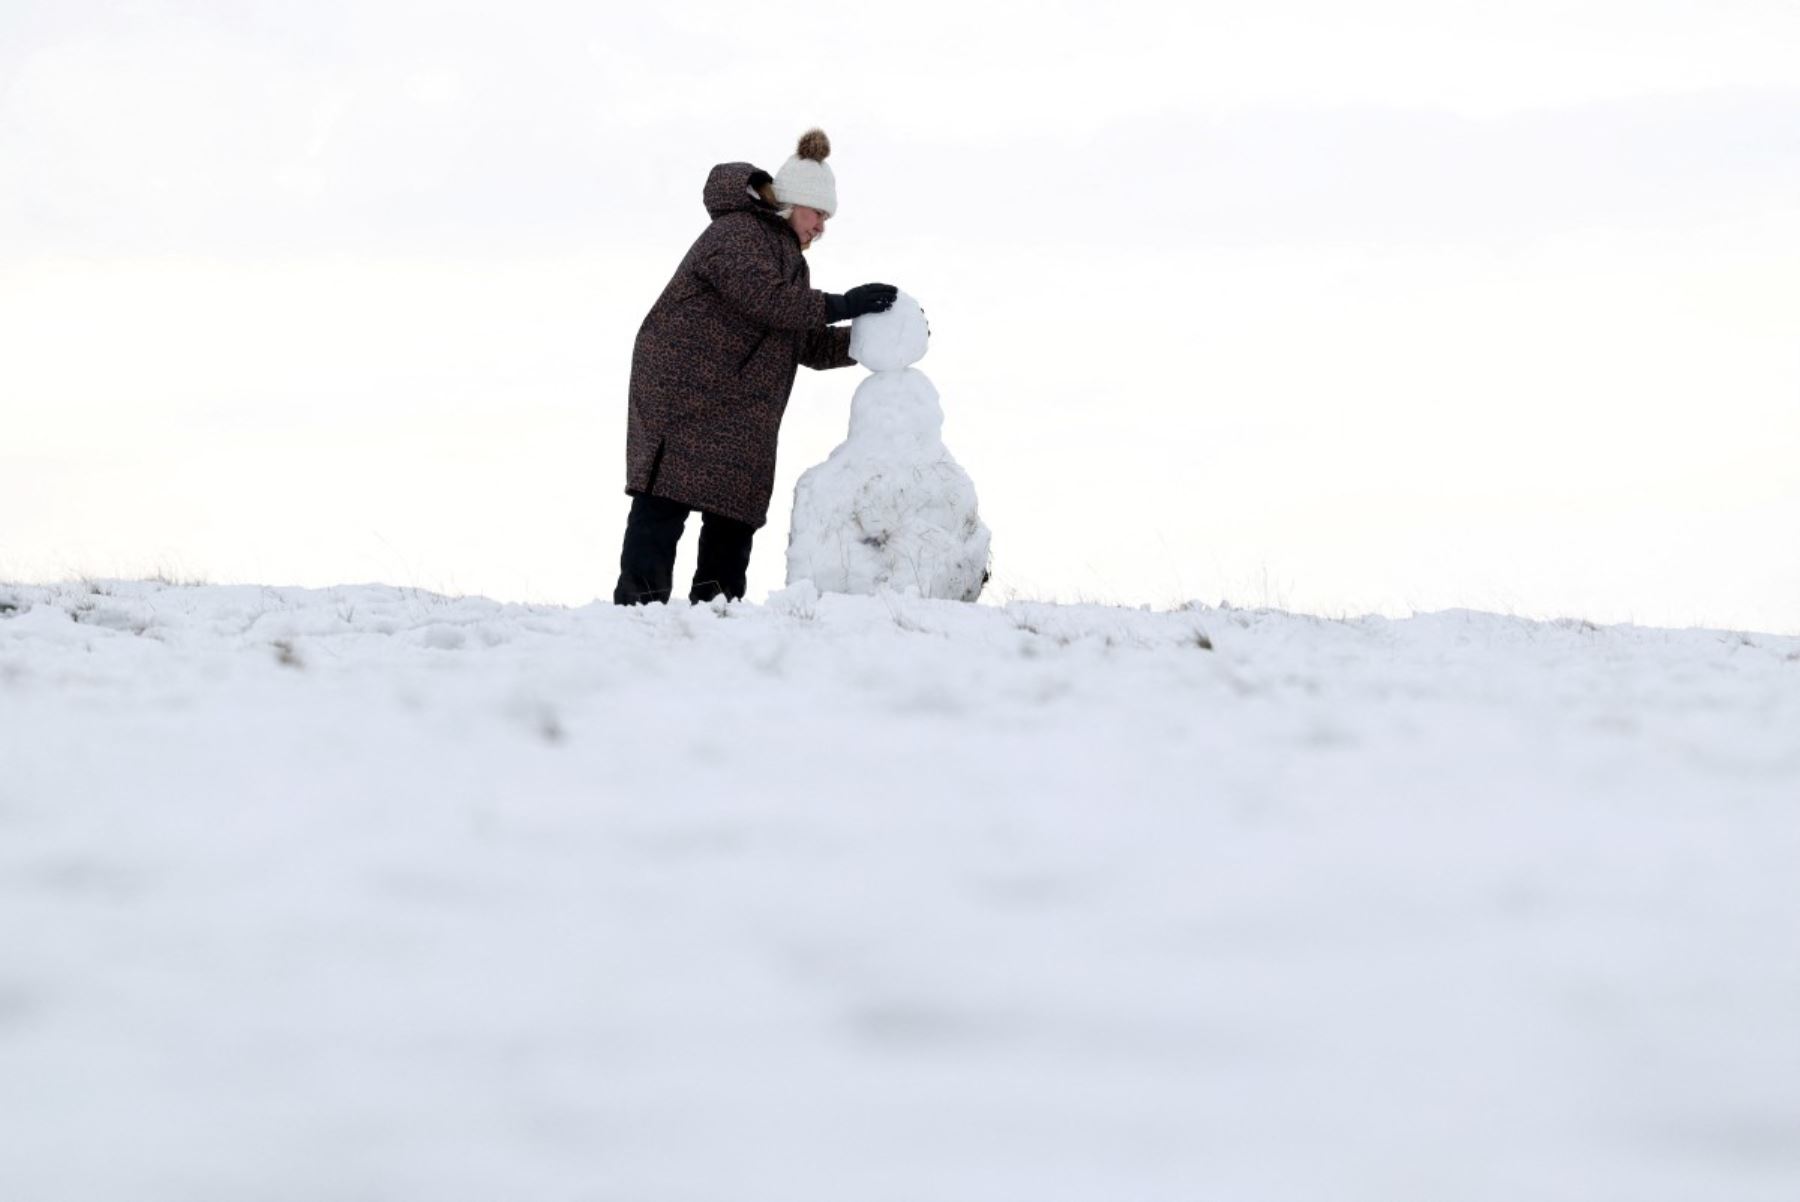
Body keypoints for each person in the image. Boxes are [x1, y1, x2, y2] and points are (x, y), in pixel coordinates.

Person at [613, 128, 898, 605]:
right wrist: (842, 303)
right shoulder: (738, 232)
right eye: (818, 214)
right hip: (686, 394)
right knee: (663, 505)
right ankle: (638, 613)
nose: (822, 228)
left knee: (734, 513)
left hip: (740, 410)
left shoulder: (789, 261)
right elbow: (766, 300)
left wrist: (876, 338)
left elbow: (804, 339)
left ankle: (718, 613)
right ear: (793, 204)